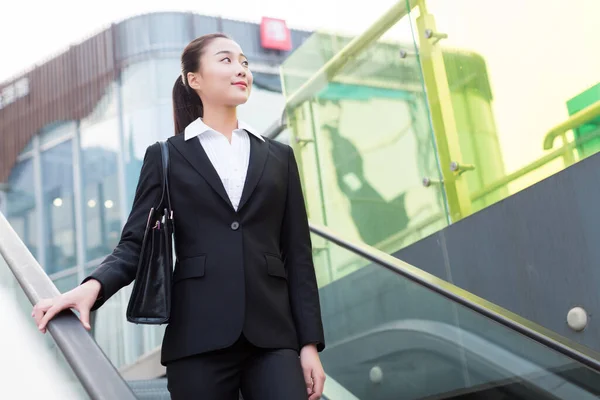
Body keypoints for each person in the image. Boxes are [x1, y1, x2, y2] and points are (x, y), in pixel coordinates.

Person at [32, 33, 326, 400]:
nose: (241, 70)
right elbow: (134, 244)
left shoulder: (279, 157)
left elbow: (297, 254)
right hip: (198, 337)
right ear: (194, 79)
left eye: (245, 62)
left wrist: (309, 343)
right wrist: (91, 288)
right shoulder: (167, 155)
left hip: (274, 338)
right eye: (226, 60)